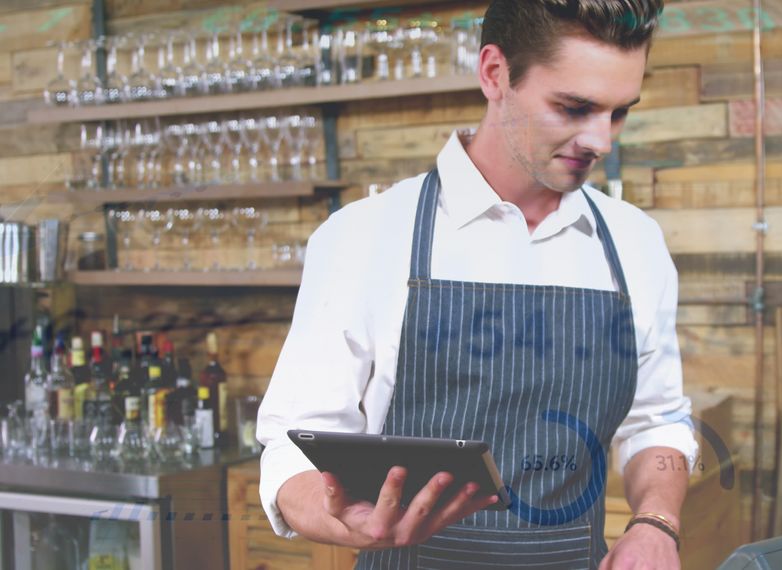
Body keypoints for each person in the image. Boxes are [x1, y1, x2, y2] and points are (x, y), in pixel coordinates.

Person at [256, 1, 698, 568]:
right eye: (574, 107)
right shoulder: (363, 237)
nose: (601, 141)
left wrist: (656, 523)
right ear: (494, 73)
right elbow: (293, 447)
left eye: (619, 113)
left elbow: (657, 422)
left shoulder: (635, 243)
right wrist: (337, 512)